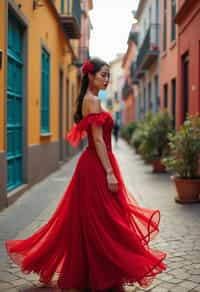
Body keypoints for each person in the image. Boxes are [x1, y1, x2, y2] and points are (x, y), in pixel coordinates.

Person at [5, 58, 167, 292]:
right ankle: (103, 273)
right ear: (90, 76)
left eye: (108, 75)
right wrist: (109, 173)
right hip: (97, 167)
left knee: (101, 220)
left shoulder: (92, 99)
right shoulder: (91, 101)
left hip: (97, 163)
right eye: (103, 74)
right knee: (105, 221)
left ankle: (103, 271)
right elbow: (98, 139)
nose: (107, 79)